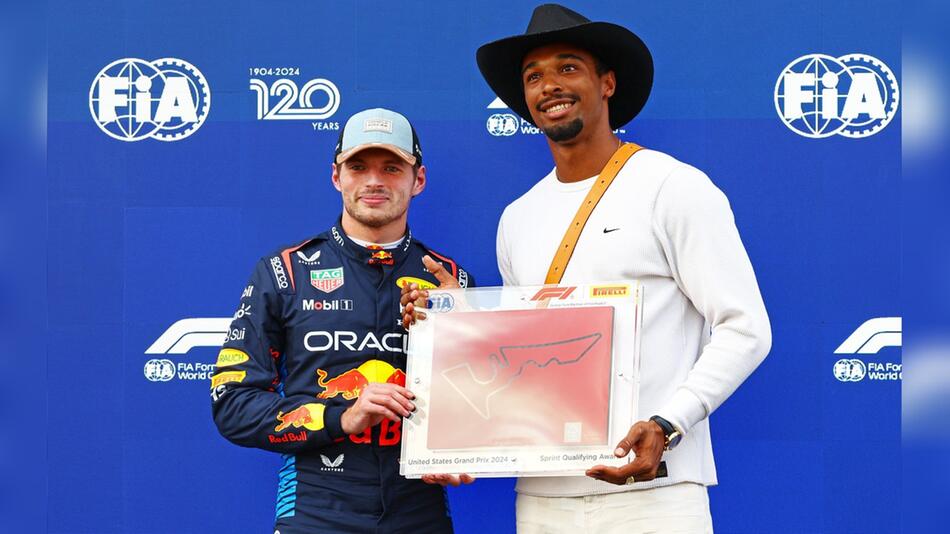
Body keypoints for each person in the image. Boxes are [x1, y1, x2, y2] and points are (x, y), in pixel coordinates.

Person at [404, 4, 771, 532]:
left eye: (568, 67)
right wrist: (455, 321)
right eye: (534, 76)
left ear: (607, 83)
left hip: (655, 492)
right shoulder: (518, 216)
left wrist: (668, 424)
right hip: (542, 498)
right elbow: (525, 357)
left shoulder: (673, 187)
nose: (549, 85)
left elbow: (746, 328)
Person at [211, 108, 474, 534]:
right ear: (337, 177)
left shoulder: (451, 281)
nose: (374, 181)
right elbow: (233, 405)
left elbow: (477, 400)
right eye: (358, 167)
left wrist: (459, 454)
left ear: (418, 180)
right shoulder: (283, 272)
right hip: (316, 514)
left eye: (391, 167)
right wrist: (342, 417)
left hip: (420, 514)